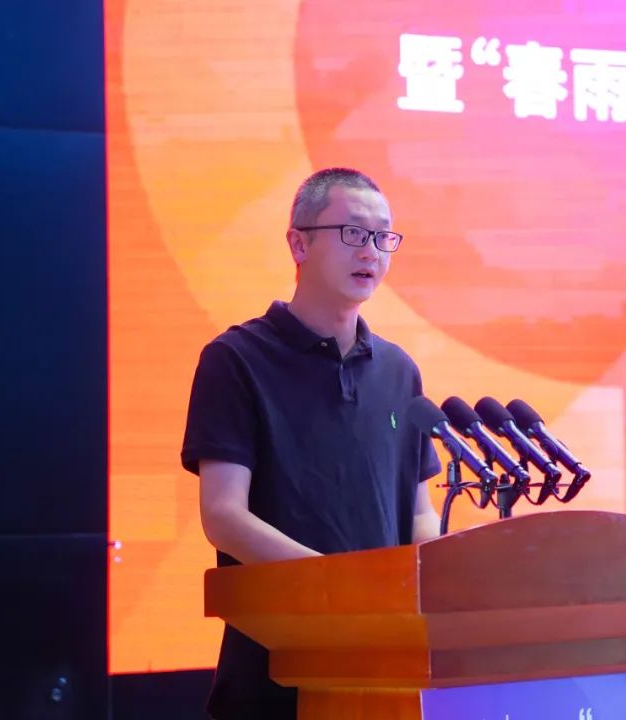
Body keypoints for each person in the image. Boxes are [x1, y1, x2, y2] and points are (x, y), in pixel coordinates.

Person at [180, 167, 442, 720]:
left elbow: (419, 510)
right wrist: (334, 588)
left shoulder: (399, 371)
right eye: (353, 232)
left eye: (383, 237)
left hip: (382, 667)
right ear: (299, 244)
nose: (370, 251)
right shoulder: (237, 360)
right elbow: (224, 516)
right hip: (275, 665)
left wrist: (421, 581)